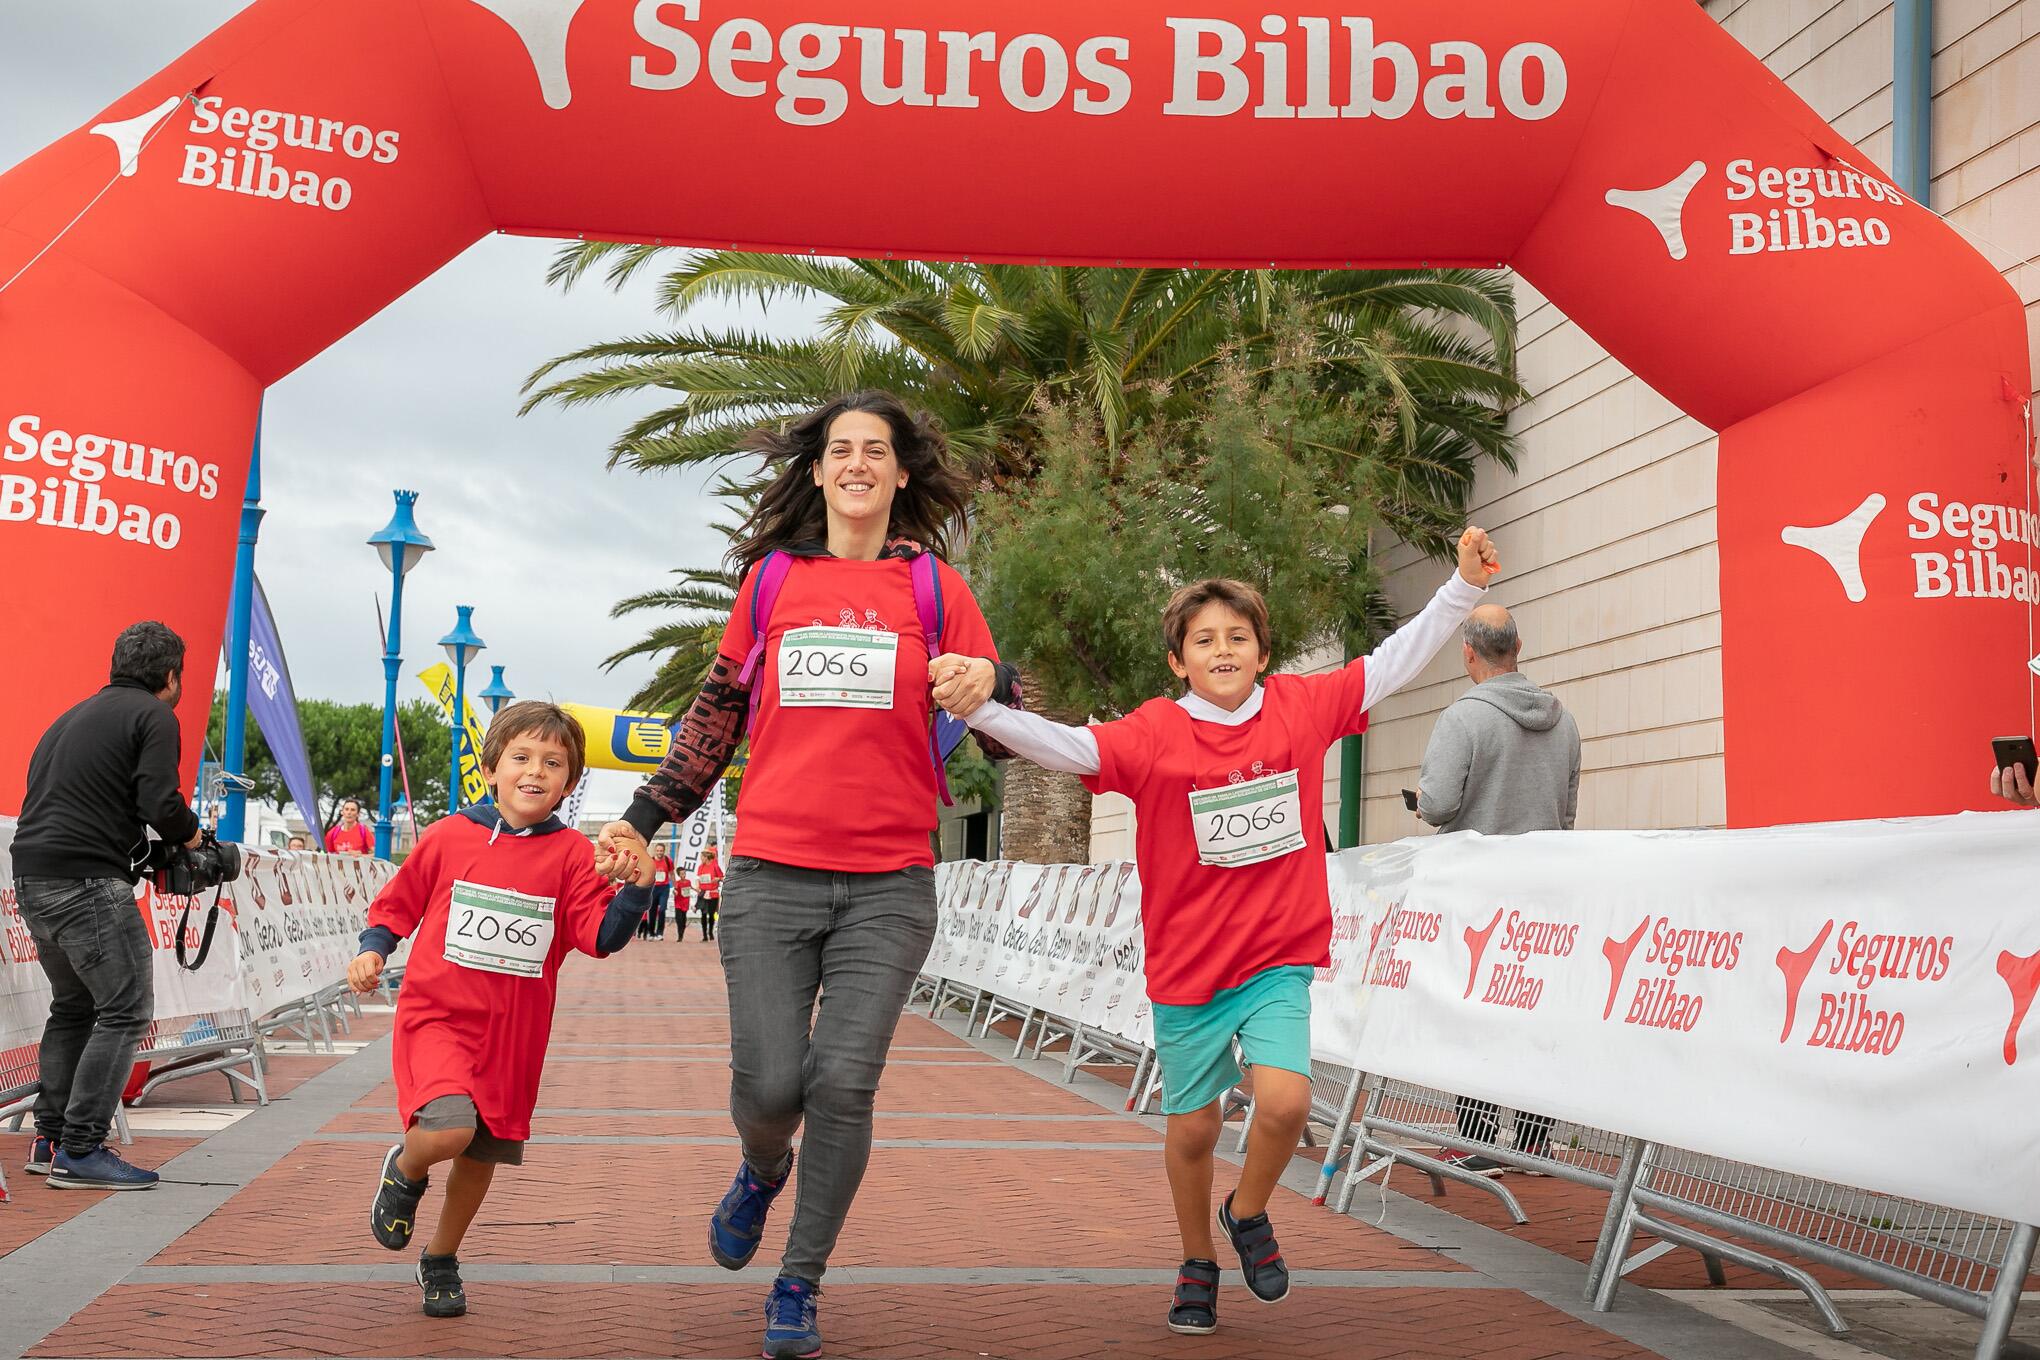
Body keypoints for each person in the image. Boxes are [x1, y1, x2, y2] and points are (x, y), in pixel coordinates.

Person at [935, 530, 1498, 1336]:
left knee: (1284, 1101)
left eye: (1238, 637)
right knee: (1194, 1125)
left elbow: (1391, 664)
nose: (1223, 649)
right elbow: (1066, 746)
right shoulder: (1155, 733)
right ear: (1179, 661)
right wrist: (982, 708)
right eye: (1205, 640)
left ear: (1264, 653)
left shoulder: (1304, 709)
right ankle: (1196, 1260)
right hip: (1190, 967)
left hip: (1278, 957)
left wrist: (1459, 589)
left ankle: (1249, 1210)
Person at [596, 390, 1014, 1360]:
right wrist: (643, 817)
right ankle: (758, 1165)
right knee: (772, 1086)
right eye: (842, 450)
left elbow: (997, 690)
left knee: (847, 1083)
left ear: (902, 472)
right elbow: (715, 715)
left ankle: (800, 1280)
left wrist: (986, 680)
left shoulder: (937, 591)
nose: (859, 463)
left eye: (878, 450)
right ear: (819, 471)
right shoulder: (774, 581)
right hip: (772, 877)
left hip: (890, 882)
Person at [347, 701, 654, 1319]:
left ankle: (441, 1258)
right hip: (438, 1016)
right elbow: (398, 904)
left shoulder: (572, 855)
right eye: (521, 757)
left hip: (514, 1035)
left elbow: (598, 936)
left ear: (568, 782)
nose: (535, 771)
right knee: (449, 1128)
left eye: (553, 763)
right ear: (491, 768)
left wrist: (640, 886)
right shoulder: (447, 836)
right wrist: (373, 950)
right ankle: (405, 1169)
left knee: (480, 1155)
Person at [13, 621, 203, 1190]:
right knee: (124, 1010)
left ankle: (49, 1138)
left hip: (32, 873)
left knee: (72, 1008)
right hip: (88, 881)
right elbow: (159, 802)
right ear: (171, 676)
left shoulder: (70, 717)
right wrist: (191, 836)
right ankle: (82, 1148)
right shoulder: (154, 716)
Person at [1416, 604, 1581, 1177]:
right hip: (1545, 892)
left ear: (1468, 652)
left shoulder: (1462, 719)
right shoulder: (1564, 722)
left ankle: (1478, 1138)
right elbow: (1566, 812)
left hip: (1479, 897)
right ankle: (1535, 1143)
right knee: (1533, 1010)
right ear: (1517, 647)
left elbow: (1437, 804)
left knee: (1477, 1012)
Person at [691, 846, 723, 942]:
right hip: (703, 893)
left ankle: (710, 932)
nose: (701, 859)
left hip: (713, 894)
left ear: (706, 857)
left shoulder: (715, 866)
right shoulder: (701, 867)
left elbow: (722, 877)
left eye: (702, 857)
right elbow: (698, 878)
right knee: (703, 914)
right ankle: (704, 935)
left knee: (711, 913)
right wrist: (697, 886)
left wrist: (717, 879)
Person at [649, 849, 674, 939]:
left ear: (664, 851)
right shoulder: (651, 861)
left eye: (661, 851)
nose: (659, 852)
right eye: (658, 851)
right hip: (653, 888)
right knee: (652, 910)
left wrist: (674, 887)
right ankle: (651, 933)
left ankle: (660, 933)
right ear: (655, 851)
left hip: (664, 888)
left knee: (662, 910)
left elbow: (672, 874)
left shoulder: (668, 861)